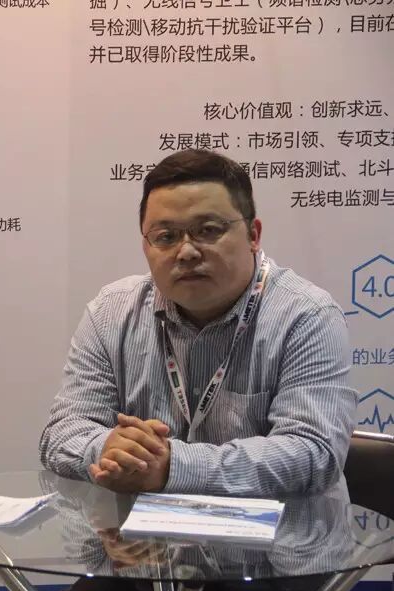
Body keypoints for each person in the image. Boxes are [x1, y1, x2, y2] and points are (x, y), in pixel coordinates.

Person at [39, 149, 357, 499]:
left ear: (253, 235)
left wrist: (173, 466)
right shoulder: (111, 312)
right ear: (146, 245)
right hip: (140, 534)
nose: (187, 251)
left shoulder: (306, 315)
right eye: (166, 236)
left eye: (208, 230)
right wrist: (110, 449)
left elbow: (313, 454)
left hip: (275, 533)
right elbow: (61, 434)